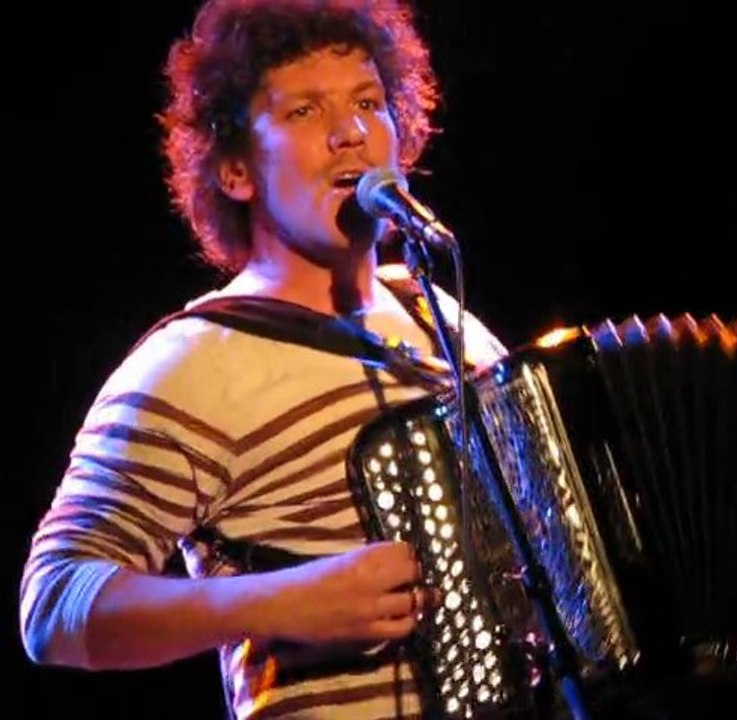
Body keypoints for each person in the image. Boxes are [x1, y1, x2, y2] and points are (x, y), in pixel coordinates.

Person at [19, 1, 506, 718]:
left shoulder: (448, 324)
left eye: (369, 103)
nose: (351, 134)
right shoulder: (194, 365)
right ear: (237, 170)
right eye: (305, 111)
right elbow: (55, 605)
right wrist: (284, 601)